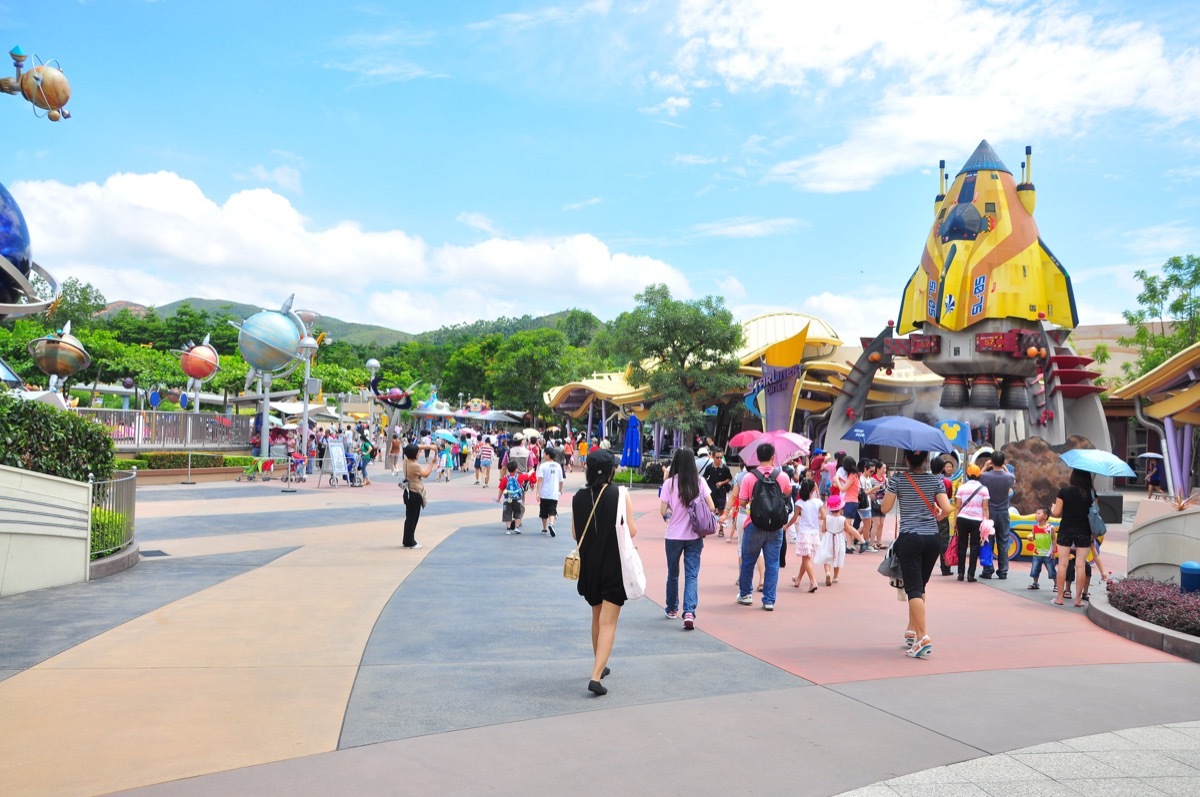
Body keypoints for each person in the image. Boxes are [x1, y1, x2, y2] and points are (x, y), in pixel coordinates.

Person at [572, 449, 637, 696]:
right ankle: (596, 676)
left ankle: (600, 662)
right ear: (610, 471)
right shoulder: (620, 494)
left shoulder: (578, 496)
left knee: (596, 616)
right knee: (609, 621)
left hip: (590, 565)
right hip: (614, 564)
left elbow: (576, 534)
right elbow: (631, 530)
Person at [880, 449, 952, 660]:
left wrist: (892, 486)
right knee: (920, 587)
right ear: (927, 459)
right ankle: (912, 630)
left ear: (906, 459)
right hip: (932, 539)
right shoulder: (935, 481)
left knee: (912, 588)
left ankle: (923, 637)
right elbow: (947, 509)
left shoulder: (899, 480)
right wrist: (934, 519)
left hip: (910, 539)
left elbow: (885, 507)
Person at [729, 442, 793, 611]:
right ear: (773, 457)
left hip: (754, 524)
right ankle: (769, 600)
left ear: (757, 457)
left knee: (748, 560)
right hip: (776, 526)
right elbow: (787, 493)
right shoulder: (783, 476)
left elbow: (742, 501)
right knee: (772, 563)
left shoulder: (750, 477)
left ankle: (746, 594)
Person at [659, 447, 714, 630]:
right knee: (691, 575)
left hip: (673, 536)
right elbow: (712, 507)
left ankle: (672, 608)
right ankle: (689, 612)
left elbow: (663, 511)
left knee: (673, 574)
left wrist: (670, 517)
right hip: (694, 536)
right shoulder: (699, 482)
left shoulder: (669, 484)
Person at [1051, 468, 1095, 607]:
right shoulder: (1091, 493)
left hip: (1066, 529)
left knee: (1063, 563)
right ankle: (1078, 600)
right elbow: (1094, 514)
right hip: (1084, 530)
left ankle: (1059, 598)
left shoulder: (1064, 491)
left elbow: (1057, 513)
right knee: (1080, 565)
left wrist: (1053, 508)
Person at [978, 450, 1016, 579]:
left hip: (989, 511)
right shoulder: (1009, 477)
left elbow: (978, 477)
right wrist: (1005, 467)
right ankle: (1003, 571)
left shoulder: (985, 476)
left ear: (991, 462)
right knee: (1003, 541)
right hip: (1004, 512)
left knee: (988, 539)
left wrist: (984, 467)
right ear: (1003, 461)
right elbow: (1012, 478)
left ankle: (988, 570)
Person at [953, 464, 990, 582]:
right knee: (974, 547)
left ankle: (960, 573)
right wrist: (986, 523)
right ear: (979, 475)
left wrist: (955, 522)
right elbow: (985, 508)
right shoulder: (984, 489)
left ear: (968, 475)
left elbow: (957, 506)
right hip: (977, 520)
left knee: (962, 546)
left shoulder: (962, 488)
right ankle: (971, 574)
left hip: (962, 518)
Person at [791, 478, 823, 592]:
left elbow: (795, 518)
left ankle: (812, 580)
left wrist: (786, 526)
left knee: (806, 557)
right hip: (814, 533)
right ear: (813, 489)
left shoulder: (800, 503)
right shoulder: (818, 502)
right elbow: (824, 516)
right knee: (806, 557)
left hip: (804, 532)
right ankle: (799, 578)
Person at [400, 443, 435, 549]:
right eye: (418, 452)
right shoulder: (415, 465)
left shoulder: (406, 461)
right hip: (415, 493)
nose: (419, 453)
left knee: (409, 518)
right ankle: (410, 541)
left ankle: (407, 539)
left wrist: (429, 447)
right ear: (414, 454)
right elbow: (426, 474)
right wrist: (432, 463)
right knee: (413, 518)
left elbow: (413, 448)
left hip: (408, 492)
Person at [815, 493, 847, 586]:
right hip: (839, 538)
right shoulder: (843, 519)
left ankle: (828, 572)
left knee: (827, 557)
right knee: (838, 556)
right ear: (840, 508)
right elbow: (847, 529)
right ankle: (836, 576)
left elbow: (823, 529)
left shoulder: (827, 518)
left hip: (828, 538)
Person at [535, 447, 565, 537]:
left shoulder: (543, 466)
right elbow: (561, 480)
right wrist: (560, 489)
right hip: (554, 492)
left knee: (543, 510)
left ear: (548, 455)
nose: (543, 455)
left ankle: (544, 528)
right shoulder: (558, 466)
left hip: (544, 492)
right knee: (552, 509)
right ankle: (551, 524)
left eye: (544, 454)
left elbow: (540, 480)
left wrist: (537, 492)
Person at [704, 449, 733, 536]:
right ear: (713, 457)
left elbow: (729, 478)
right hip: (711, 492)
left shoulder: (725, 468)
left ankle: (721, 529)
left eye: (721, 457)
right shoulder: (709, 467)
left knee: (721, 511)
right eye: (717, 457)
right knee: (709, 510)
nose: (719, 459)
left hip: (721, 492)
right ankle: (707, 528)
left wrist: (722, 483)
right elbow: (704, 477)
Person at [1027, 507, 1057, 590]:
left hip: (1048, 553)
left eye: (1038, 513)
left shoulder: (1050, 527)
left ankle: (1056, 585)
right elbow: (1033, 538)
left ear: (1045, 516)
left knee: (1051, 570)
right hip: (1037, 553)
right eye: (1036, 513)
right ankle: (1035, 583)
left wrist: (1053, 551)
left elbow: (1054, 539)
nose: (1036, 515)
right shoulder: (1035, 527)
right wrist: (1031, 538)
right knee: (1035, 569)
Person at [497, 462, 526, 534]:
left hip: (507, 499)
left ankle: (508, 529)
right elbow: (527, 476)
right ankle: (517, 527)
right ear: (516, 469)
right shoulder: (519, 477)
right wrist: (531, 471)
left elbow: (501, 489)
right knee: (518, 513)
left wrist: (498, 498)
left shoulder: (505, 478)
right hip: (517, 499)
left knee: (507, 513)